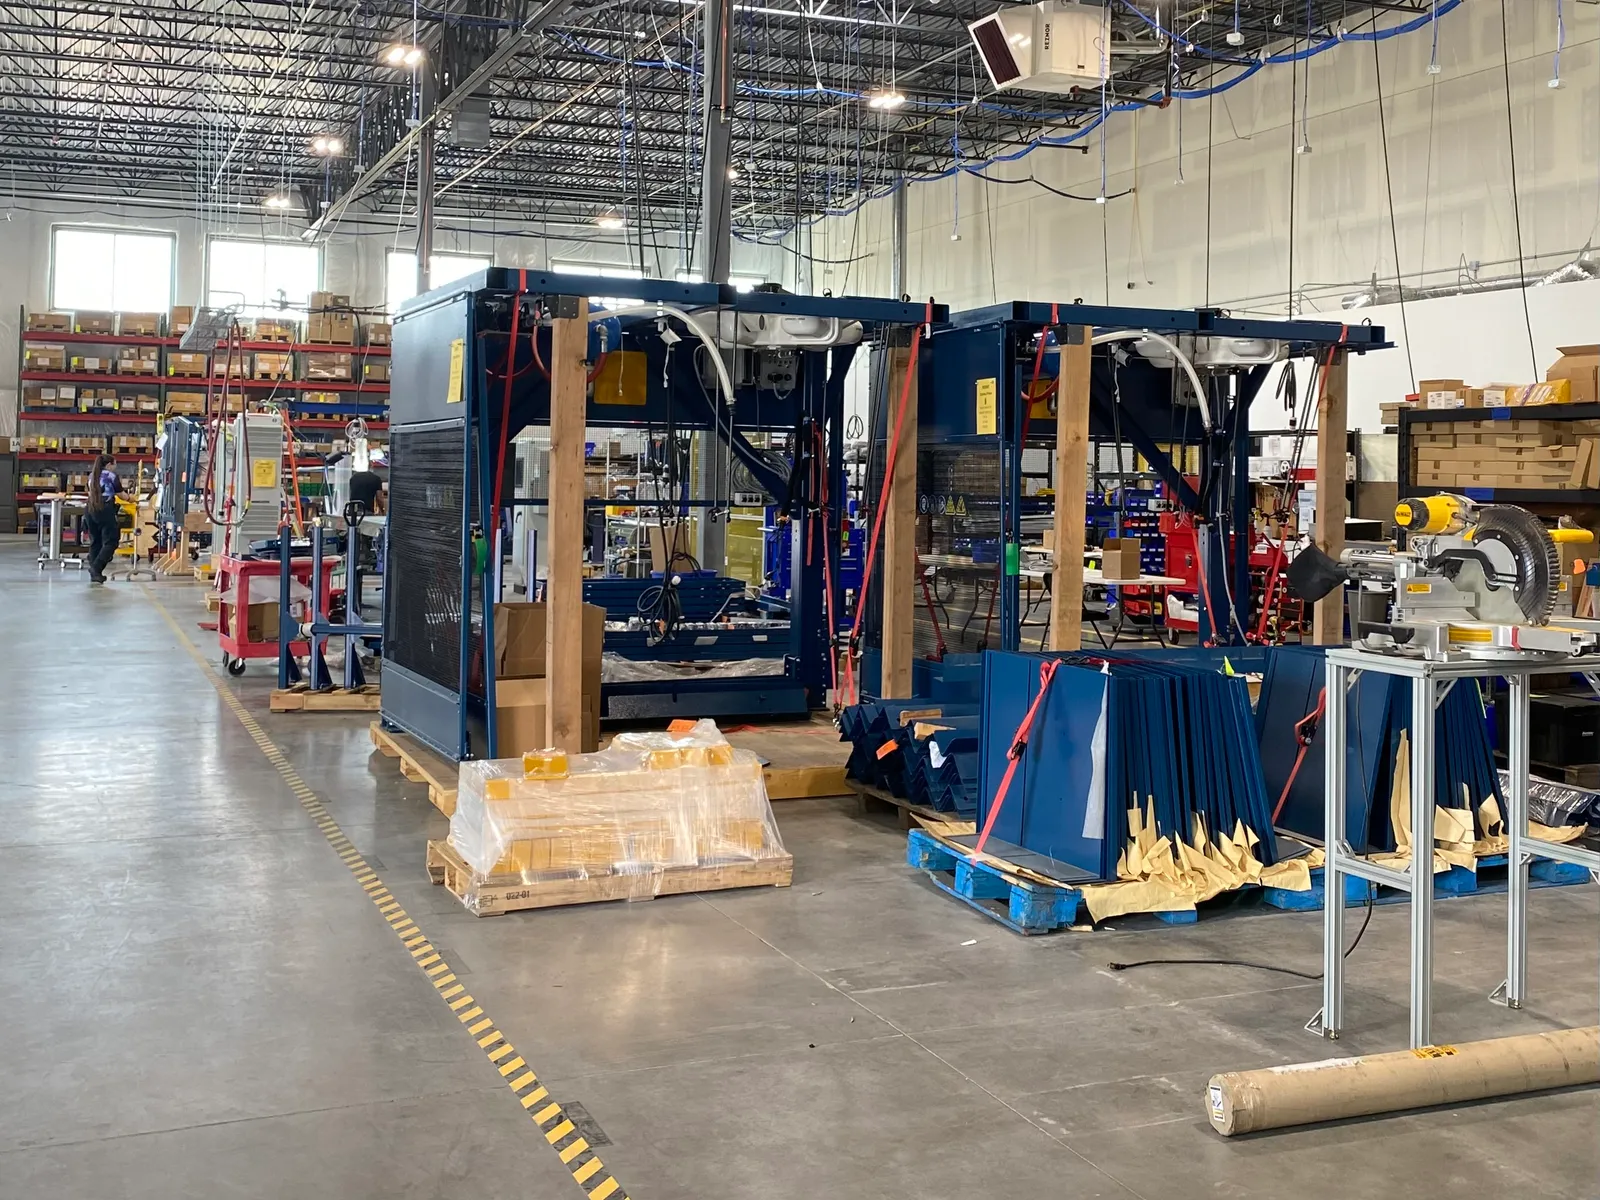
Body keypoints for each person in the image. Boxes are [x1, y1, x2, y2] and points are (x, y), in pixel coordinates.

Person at [83, 453, 122, 584]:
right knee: (112, 541)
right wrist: (132, 498)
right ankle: (96, 568)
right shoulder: (111, 476)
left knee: (96, 541)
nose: (115, 467)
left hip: (90, 509)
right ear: (109, 464)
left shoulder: (92, 476)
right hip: (105, 509)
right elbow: (121, 494)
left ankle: (95, 573)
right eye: (115, 464)